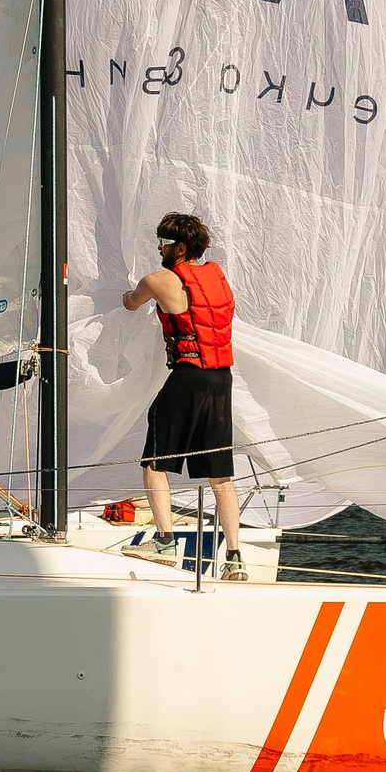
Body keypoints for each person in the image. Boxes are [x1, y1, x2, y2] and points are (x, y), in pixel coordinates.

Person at [122, 210, 244, 579]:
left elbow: (130, 302)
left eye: (163, 243)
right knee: (220, 476)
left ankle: (163, 542)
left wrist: (128, 293)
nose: (158, 249)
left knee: (154, 462)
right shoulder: (218, 277)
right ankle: (235, 560)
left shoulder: (159, 280)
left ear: (180, 248)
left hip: (188, 377)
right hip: (222, 379)